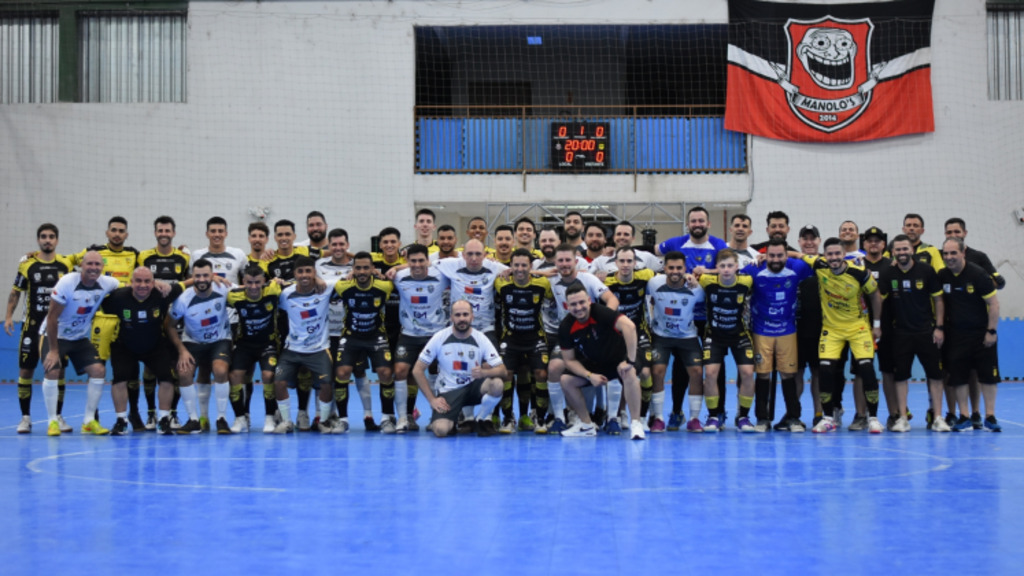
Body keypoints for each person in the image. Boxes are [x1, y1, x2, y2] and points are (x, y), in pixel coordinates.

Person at [795, 238, 883, 434]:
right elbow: (798, 254)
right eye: (830, 254)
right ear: (824, 255)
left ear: (844, 255)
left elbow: (875, 295)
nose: (833, 258)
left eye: (837, 254)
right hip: (832, 329)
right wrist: (762, 257)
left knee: (867, 370)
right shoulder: (819, 265)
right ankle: (828, 418)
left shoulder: (859, 273)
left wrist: (877, 325)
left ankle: (873, 418)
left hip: (858, 328)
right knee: (825, 370)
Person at [41, 251, 120, 436]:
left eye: (97, 264)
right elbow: (52, 318)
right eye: (89, 263)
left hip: (79, 338)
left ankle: (88, 421)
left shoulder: (107, 283)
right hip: (55, 335)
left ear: (102, 267)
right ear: (81, 266)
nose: (93, 268)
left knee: (98, 370)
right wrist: (53, 350)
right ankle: (52, 421)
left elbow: (130, 285)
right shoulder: (67, 283)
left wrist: (156, 283)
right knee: (52, 370)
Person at [6, 224, 74, 434]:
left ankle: (58, 417)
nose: (47, 240)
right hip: (32, 328)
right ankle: (25, 418)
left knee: (58, 371)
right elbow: (16, 292)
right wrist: (8, 317)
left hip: (57, 329)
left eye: (51, 236)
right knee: (26, 370)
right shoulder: (27, 265)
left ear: (57, 240)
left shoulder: (66, 264)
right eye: (43, 236)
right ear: (38, 240)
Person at [543, 243, 618, 432]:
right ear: (555, 263)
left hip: (591, 335)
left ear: (576, 261)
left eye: (568, 260)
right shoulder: (551, 280)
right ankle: (559, 418)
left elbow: (612, 299)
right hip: (567, 335)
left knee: (605, 368)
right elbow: (523, 274)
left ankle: (607, 416)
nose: (564, 264)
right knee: (554, 367)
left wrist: (602, 321)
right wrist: (535, 272)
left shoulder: (588, 279)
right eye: (560, 260)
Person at [740, 238, 813, 432]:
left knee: (788, 374)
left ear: (787, 255)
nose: (775, 259)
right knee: (763, 375)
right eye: (771, 255)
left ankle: (794, 418)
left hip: (787, 330)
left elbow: (823, 263)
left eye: (780, 255)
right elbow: (728, 274)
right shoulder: (754, 269)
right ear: (765, 255)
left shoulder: (797, 267)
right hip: (761, 330)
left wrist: (798, 254)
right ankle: (762, 419)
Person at [557, 283, 646, 440]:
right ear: (567, 306)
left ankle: (636, 424)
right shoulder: (566, 326)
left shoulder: (600, 312)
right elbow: (569, 360)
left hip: (621, 358)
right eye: (573, 304)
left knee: (629, 372)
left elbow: (630, 327)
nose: (578, 307)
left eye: (582, 302)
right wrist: (589, 375)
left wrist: (629, 361)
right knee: (566, 380)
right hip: (596, 364)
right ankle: (586, 425)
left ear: (589, 301)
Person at [878, 235, 948, 432]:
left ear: (912, 250)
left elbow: (939, 300)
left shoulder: (926, 270)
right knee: (901, 377)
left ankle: (938, 417)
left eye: (905, 249)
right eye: (898, 249)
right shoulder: (888, 273)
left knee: (935, 376)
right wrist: (876, 325)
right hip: (900, 333)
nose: (902, 253)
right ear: (892, 252)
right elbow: (878, 300)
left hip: (926, 332)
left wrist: (939, 327)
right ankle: (902, 418)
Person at [101, 267, 181, 435]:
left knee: (166, 379)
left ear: (153, 283)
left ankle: (163, 420)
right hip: (125, 345)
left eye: (147, 281)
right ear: (131, 282)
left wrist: (216, 278)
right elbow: (95, 297)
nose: (142, 285)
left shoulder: (162, 294)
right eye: (138, 281)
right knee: (119, 380)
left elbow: (188, 283)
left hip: (155, 345)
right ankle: (121, 421)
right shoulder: (117, 297)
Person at [413, 300, 506, 437]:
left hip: (474, 387)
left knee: (497, 384)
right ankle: (453, 420)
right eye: (457, 315)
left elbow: (502, 370)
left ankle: (480, 419)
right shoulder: (440, 337)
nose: (462, 318)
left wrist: (484, 372)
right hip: (449, 391)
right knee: (440, 430)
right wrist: (432, 399)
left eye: (465, 314)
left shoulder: (481, 338)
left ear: (472, 316)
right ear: (451, 317)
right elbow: (417, 370)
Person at [944, 217, 1005, 429]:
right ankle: (964, 415)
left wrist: (991, 331)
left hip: (981, 333)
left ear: (963, 253)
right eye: (946, 254)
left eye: (954, 253)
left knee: (988, 376)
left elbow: (994, 304)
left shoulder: (978, 273)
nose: (949, 257)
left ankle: (990, 416)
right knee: (958, 377)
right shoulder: (942, 275)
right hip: (956, 334)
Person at [269, 257, 336, 433]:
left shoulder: (326, 288)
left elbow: (349, 279)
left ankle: (323, 421)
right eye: (300, 271)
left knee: (326, 384)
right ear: (294, 274)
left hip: (319, 349)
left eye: (308, 271)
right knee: (279, 382)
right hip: (292, 349)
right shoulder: (286, 294)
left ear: (315, 272)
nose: (304, 275)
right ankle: (287, 422)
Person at [167, 258, 233, 434]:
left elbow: (249, 289)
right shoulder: (183, 299)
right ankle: (193, 420)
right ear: (192, 277)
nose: (202, 279)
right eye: (198, 276)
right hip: (193, 342)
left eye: (205, 275)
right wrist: (182, 350)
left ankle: (221, 419)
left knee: (220, 370)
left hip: (220, 340)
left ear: (212, 275)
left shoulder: (223, 288)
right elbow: (170, 326)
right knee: (184, 371)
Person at [137, 215, 191, 430]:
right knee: (150, 370)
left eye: (167, 230)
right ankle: (151, 414)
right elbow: (137, 282)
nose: (164, 234)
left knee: (177, 368)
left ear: (173, 233)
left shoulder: (183, 258)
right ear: (155, 233)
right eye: (160, 230)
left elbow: (188, 285)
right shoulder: (144, 257)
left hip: (176, 321)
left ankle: (173, 414)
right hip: (151, 322)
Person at [333, 252, 397, 432]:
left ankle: (387, 418)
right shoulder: (342, 286)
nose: (362, 271)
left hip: (375, 335)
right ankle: (343, 420)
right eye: (358, 268)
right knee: (342, 372)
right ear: (352, 269)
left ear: (372, 269)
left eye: (366, 268)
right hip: (351, 335)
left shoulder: (385, 286)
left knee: (385, 373)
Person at [316, 228, 373, 431]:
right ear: (329, 246)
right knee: (329, 376)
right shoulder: (319, 265)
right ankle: (328, 415)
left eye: (342, 244)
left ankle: (368, 415)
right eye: (334, 244)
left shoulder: (357, 266)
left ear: (347, 245)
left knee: (359, 373)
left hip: (352, 330)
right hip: (327, 331)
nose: (338, 248)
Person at [391, 244, 450, 432]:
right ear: (407, 261)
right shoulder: (398, 277)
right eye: (413, 261)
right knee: (401, 371)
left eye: (421, 261)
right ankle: (404, 417)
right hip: (409, 334)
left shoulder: (441, 276)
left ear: (427, 261)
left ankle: (436, 415)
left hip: (435, 334)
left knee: (435, 372)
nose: (417, 265)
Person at [494, 248, 552, 433]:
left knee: (541, 374)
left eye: (524, 265)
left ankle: (540, 418)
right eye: (516, 265)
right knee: (505, 374)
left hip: (535, 337)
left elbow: (556, 288)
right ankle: (508, 418)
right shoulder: (501, 282)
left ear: (531, 266)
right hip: (510, 338)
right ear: (510, 266)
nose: (520, 269)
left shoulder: (542, 283)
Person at [698, 250, 756, 431]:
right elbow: (691, 276)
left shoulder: (746, 281)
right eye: (722, 266)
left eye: (730, 265)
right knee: (710, 374)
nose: (726, 269)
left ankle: (743, 417)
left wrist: (759, 259)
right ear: (716, 268)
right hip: (714, 335)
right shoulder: (707, 281)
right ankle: (713, 417)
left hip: (739, 334)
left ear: (737, 267)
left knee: (747, 373)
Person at [647, 251, 705, 432]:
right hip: (661, 336)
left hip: (687, 336)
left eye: (679, 268)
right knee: (657, 371)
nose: (675, 271)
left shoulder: (696, 288)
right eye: (671, 267)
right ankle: (658, 418)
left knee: (697, 372)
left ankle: (694, 419)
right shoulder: (653, 283)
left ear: (685, 269)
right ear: (664, 268)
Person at [226, 264, 282, 433]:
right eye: (249, 282)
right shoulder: (234, 296)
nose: (253, 287)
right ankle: (240, 418)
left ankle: (270, 417)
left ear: (264, 281)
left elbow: (297, 284)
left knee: (268, 375)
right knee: (235, 375)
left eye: (257, 282)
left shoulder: (273, 290)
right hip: (244, 344)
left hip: (268, 344)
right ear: (243, 282)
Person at [604, 247, 655, 431]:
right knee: (620, 373)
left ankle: (642, 416)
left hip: (639, 332)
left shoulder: (646, 275)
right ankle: (619, 413)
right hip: (615, 335)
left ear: (635, 263)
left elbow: (669, 275)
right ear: (615, 263)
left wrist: (689, 276)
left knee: (646, 374)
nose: (625, 265)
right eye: (622, 261)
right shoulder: (606, 281)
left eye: (629, 261)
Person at [794, 225, 824, 426]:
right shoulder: (791, 263)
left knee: (818, 373)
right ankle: (793, 415)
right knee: (796, 372)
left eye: (813, 238)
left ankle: (819, 414)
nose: (809, 242)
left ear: (819, 241)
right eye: (805, 239)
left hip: (820, 329)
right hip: (795, 328)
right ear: (799, 242)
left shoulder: (826, 263)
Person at [589, 220, 662, 276]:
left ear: (633, 238)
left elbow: (665, 269)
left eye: (626, 234)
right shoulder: (601, 260)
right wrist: (597, 277)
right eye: (618, 234)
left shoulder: (646, 257)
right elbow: (586, 278)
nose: (622, 237)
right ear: (614, 237)